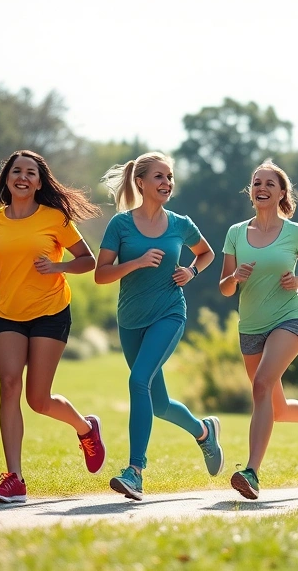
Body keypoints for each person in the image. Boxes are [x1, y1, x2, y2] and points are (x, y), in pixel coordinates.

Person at [0, 150, 106, 504]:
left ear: (40, 182)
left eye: (31, 173)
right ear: (7, 180)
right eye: (17, 171)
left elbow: (88, 261)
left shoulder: (55, 218)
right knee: (9, 385)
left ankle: (86, 428)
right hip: (9, 313)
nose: (23, 177)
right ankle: (14, 479)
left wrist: (57, 268)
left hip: (50, 311)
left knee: (38, 399)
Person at [95, 151, 223, 501]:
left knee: (138, 381)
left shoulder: (180, 223)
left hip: (169, 313)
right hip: (130, 320)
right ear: (140, 182)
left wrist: (191, 271)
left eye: (170, 177)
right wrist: (134, 263)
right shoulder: (120, 225)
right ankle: (203, 431)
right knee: (159, 403)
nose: (167, 183)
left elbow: (207, 253)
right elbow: (101, 274)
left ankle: (135, 472)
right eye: (159, 177)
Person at [219, 159, 298, 500]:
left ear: (282, 192)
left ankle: (251, 471)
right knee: (277, 407)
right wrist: (234, 277)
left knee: (261, 385)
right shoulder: (236, 233)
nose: (262, 188)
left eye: (269, 183)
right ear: (250, 192)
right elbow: (225, 288)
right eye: (256, 183)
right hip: (250, 326)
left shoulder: (295, 232)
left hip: (289, 319)